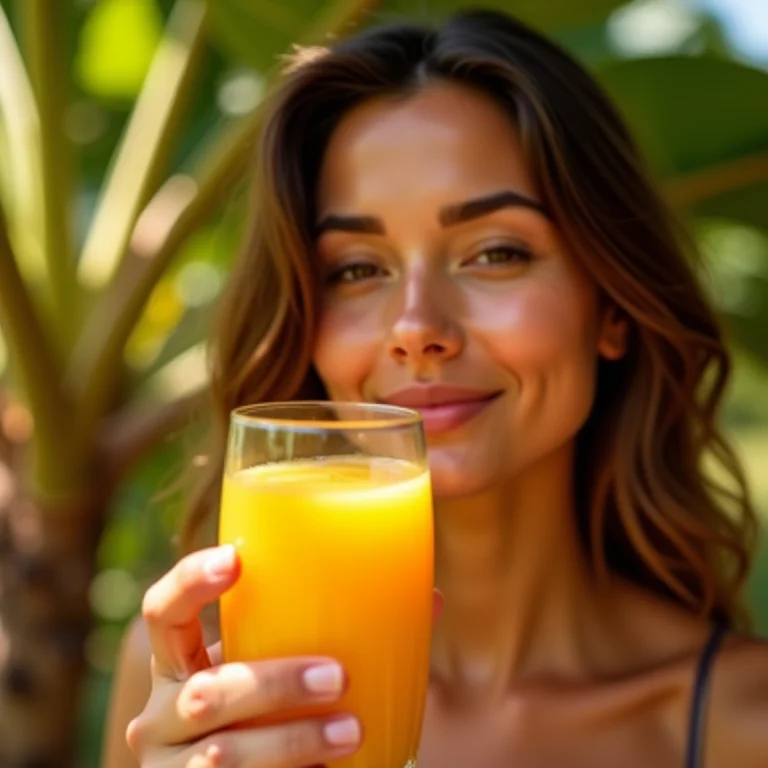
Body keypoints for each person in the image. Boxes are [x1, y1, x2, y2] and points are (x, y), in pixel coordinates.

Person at [103, 8, 768, 768]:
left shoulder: (744, 727)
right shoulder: (198, 694)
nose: (416, 326)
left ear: (610, 305)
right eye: (356, 269)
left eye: (495, 253)